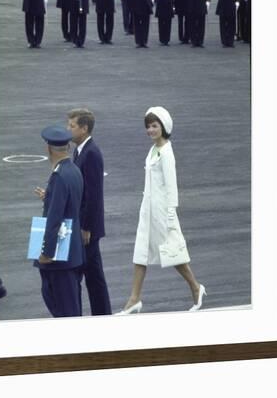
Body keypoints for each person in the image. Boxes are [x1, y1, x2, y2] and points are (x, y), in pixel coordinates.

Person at [117, 107, 206, 314]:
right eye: (148, 126)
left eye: (155, 126)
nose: (150, 130)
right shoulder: (153, 150)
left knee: (173, 253)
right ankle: (134, 299)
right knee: (141, 252)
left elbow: (171, 185)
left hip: (162, 211)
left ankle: (195, 286)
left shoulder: (166, 151)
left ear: (164, 127)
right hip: (147, 210)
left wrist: (170, 212)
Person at [33, 125, 85, 317]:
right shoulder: (74, 171)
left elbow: (54, 220)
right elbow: (72, 204)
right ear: (68, 148)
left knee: (64, 312)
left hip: (60, 258)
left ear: (48, 149)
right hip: (74, 253)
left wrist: (46, 253)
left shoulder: (58, 176)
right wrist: (50, 197)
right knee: (72, 308)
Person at [67, 109, 112, 316]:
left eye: (72, 126)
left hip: (87, 230)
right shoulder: (79, 151)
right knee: (94, 275)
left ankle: (102, 315)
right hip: (84, 226)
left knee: (93, 276)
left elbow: (93, 195)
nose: (69, 129)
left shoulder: (91, 153)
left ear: (84, 128)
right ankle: (102, 315)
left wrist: (86, 227)